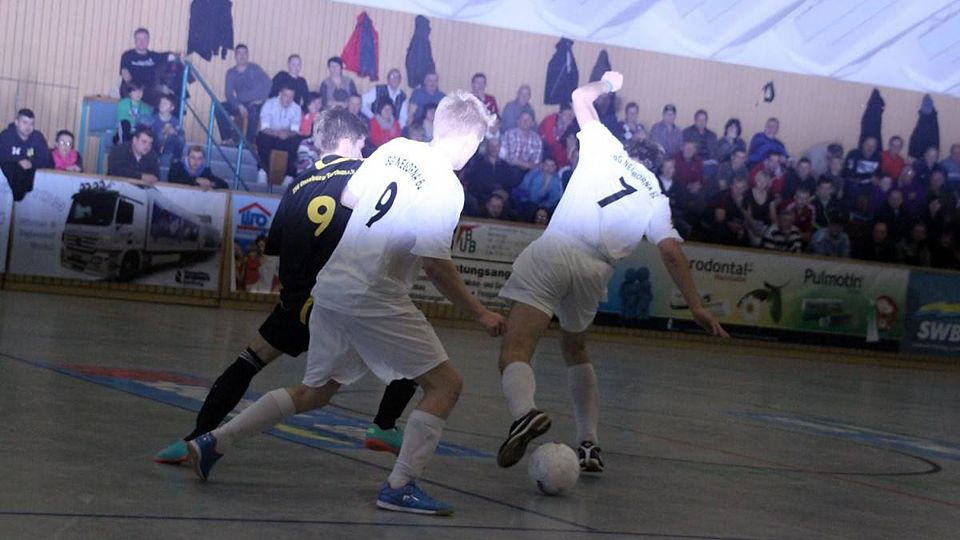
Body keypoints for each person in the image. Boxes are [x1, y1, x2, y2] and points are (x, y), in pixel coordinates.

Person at [187, 92, 505, 516]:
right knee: (446, 385)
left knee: (316, 391)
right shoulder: (447, 186)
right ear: (469, 140)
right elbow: (434, 264)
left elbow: (351, 199)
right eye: (478, 143)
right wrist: (480, 312)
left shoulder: (395, 149)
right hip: (375, 293)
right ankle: (400, 486)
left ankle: (215, 441)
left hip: (332, 285)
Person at [156, 108, 421, 466]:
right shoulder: (365, 174)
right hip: (342, 299)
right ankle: (385, 424)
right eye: (361, 144)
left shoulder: (298, 184)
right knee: (416, 356)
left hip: (296, 302)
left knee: (248, 361)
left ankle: (195, 438)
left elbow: (275, 248)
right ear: (348, 141)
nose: (363, 152)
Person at [494, 72, 728, 475]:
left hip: (558, 248)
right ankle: (589, 443)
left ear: (631, 150)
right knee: (575, 349)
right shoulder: (657, 196)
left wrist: (608, 83)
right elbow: (671, 252)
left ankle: (524, 413)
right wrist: (695, 306)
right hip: (595, 271)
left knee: (516, 348)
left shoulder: (606, 146)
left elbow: (579, 96)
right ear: (655, 166)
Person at [219, 44, 272, 143]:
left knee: (254, 110)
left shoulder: (255, 68)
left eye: (245, 53)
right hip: (241, 104)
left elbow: (268, 83)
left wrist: (261, 100)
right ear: (235, 56)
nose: (242, 56)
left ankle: (248, 143)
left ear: (248, 55)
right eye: (239, 53)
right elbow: (228, 93)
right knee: (219, 107)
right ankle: (228, 138)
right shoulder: (231, 73)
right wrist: (239, 105)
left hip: (256, 104)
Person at [0, 108, 51, 201]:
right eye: (25, 122)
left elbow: (46, 159)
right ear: (16, 122)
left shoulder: (38, 138)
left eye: (31, 123)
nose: (28, 127)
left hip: (29, 173)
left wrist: (31, 163)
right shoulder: (6, 136)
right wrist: (18, 161)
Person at [255, 85, 302, 184]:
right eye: (286, 95)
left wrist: (288, 133)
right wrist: (276, 133)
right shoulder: (269, 104)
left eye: (291, 97)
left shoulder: (296, 108)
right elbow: (264, 127)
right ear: (280, 94)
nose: (288, 99)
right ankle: (262, 171)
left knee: (296, 140)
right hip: (270, 135)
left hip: (286, 138)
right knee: (262, 138)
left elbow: (295, 130)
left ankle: (289, 176)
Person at [119, 28, 177, 106]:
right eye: (139, 39)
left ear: (148, 40)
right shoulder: (127, 55)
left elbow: (170, 56)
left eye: (145, 39)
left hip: (147, 91)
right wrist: (136, 89)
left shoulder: (153, 56)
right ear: (135, 40)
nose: (142, 42)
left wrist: (180, 55)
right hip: (131, 89)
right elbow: (125, 73)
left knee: (165, 101)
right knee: (131, 95)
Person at [144, 95, 184, 162]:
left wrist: (173, 131)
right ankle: (156, 156)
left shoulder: (175, 121)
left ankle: (176, 158)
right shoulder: (153, 118)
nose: (161, 105)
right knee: (160, 135)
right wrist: (162, 131)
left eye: (165, 103)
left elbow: (180, 133)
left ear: (172, 108)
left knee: (181, 137)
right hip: (155, 147)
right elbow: (148, 133)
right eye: (161, 102)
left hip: (169, 148)